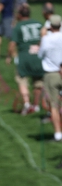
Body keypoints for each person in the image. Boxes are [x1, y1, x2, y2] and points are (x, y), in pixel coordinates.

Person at [8, 5, 43, 116]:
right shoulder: (39, 24)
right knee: (38, 82)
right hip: (39, 57)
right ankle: (36, 105)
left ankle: (27, 104)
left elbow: (12, 44)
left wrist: (9, 56)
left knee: (22, 80)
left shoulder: (18, 26)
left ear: (20, 15)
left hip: (24, 57)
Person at [38, 14, 62, 142]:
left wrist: (43, 36)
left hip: (51, 73)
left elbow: (40, 54)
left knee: (54, 105)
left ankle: (58, 134)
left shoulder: (47, 39)